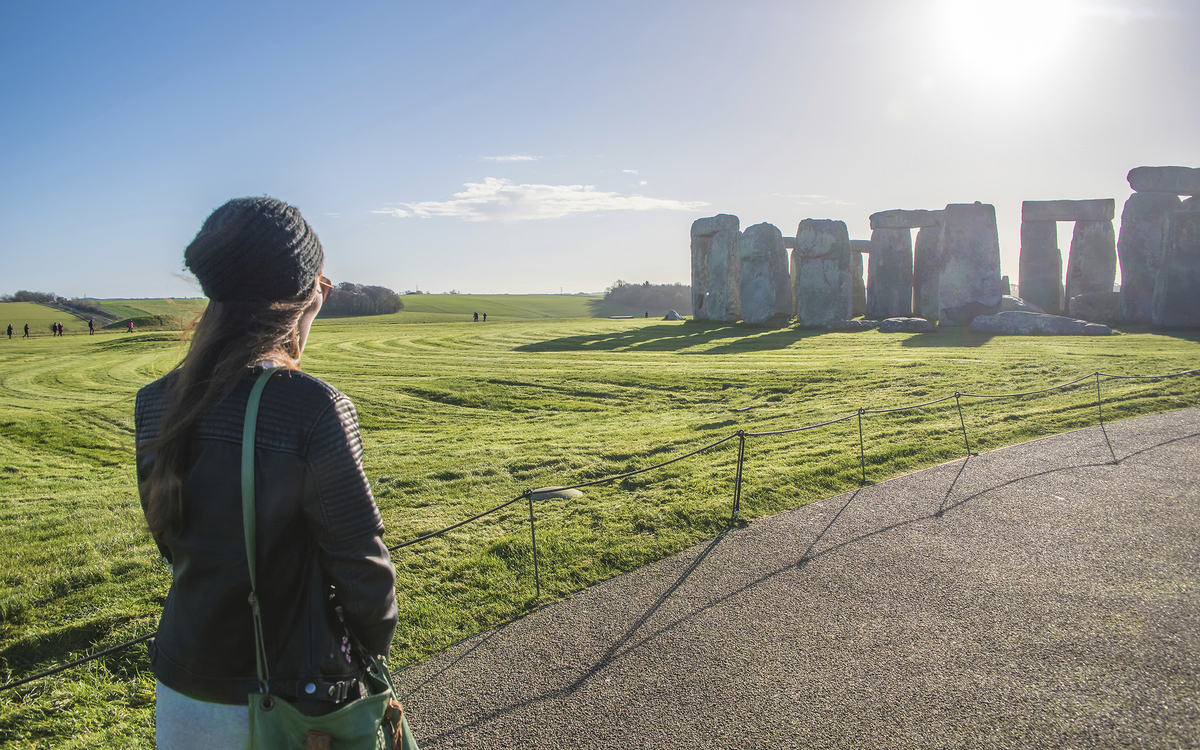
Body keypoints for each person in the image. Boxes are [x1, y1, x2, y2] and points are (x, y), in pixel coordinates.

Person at [134, 197, 397, 749]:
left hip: (182, 686)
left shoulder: (156, 402)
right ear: (304, 293)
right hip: (285, 703)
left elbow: (171, 540)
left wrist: (301, 309)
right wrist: (366, 653)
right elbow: (364, 572)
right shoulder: (314, 408)